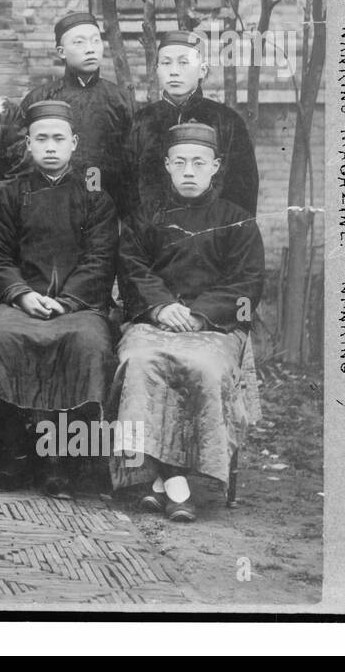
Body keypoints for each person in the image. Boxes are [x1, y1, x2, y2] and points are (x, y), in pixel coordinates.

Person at [109, 122, 265, 523]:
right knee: (141, 363)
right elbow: (131, 268)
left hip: (212, 328)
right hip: (154, 322)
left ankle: (161, 483)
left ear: (215, 166)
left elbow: (247, 282)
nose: (189, 171)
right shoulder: (147, 216)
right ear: (167, 166)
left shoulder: (237, 220)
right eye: (180, 163)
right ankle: (173, 483)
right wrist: (160, 306)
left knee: (203, 367)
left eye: (199, 162)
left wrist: (199, 314)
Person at [0, 100, 119, 499]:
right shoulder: (7, 197)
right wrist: (22, 295)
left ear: (73, 143)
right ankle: (11, 452)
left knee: (87, 343)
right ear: (28, 145)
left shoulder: (96, 199)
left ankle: (61, 461)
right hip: (17, 304)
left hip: (78, 307)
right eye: (41, 139)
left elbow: (100, 259)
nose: (50, 146)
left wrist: (67, 302)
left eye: (59, 138)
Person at [0, 10, 133, 214]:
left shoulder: (120, 100)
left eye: (95, 41)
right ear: (61, 51)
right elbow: (16, 164)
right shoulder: (39, 100)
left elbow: (132, 167)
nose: (90, 49)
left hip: (105, 209)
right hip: (48, 207)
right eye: (79, 42)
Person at [125, 30, 259, 216]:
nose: (174, 71)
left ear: (202, 70)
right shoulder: (142, 122)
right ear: (156, 70)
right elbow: (127, 190)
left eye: (183, 62)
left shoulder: (227, 121)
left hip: (212, 237)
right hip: (154, 238)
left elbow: (243, 193)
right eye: (166, 63)